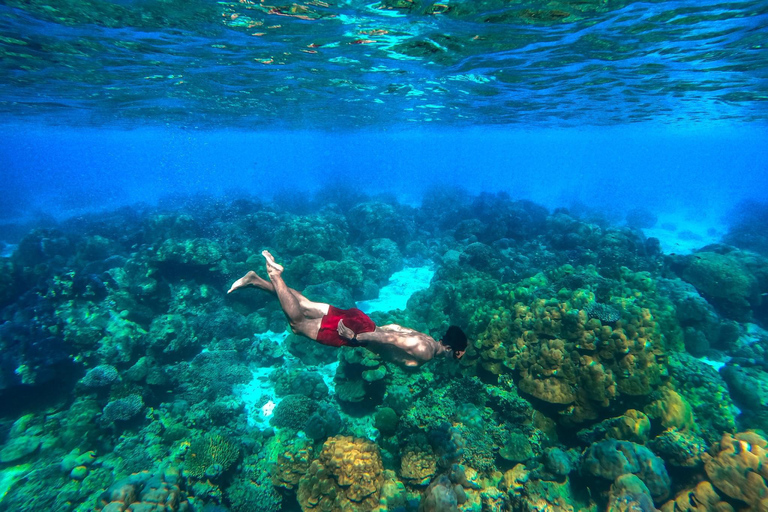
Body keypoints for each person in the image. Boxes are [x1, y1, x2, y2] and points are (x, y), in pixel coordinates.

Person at [228, 250, 467, 367]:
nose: (452, 359)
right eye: (454, 355)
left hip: (364, 322)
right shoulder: (425, 351)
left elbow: (394, 327)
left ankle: (255, 281)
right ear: (449, 348)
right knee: (298, 324)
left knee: (306, 305)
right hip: (362, 334)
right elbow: (390, 336)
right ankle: (275, 275)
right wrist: (356, 337)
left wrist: (364, 329)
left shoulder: (425, 337)